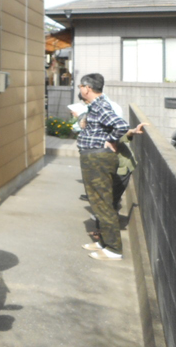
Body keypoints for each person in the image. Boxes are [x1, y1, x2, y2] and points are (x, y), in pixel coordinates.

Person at [76, 73, 129, 261]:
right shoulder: (95, 106)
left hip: (98, 158)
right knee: (98, 201)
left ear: (87, 88)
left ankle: (113, 249)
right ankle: (104, 243)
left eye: (80, 86)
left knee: (102, 202)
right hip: (94, 157)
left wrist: (111, 140)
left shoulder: (100, 105)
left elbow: (121, 125)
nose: (80, 89)